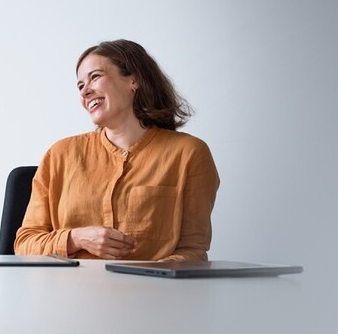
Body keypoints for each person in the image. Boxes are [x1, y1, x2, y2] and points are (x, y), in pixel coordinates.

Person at [14, 40, 219, 261]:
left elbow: (192, 251)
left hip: (149, 283)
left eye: (95, 77)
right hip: (71, 283)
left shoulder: (189, 154)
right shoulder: (59, 155)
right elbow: (25, 244)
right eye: (80, 86)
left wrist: (150, 276)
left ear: (134, 80)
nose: (85, 92)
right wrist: (76, 238)